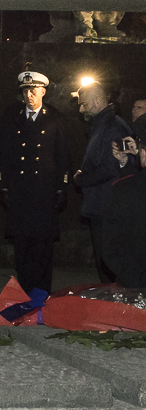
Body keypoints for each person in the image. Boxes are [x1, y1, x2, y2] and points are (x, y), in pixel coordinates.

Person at [0, 69, 71, 294]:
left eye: (34, 90)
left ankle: (42, 292)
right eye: (26, 90)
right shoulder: (12, 116)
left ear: (43, 92)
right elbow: (4, 153)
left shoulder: (54, 117)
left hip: (44, 193)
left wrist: (61, 188)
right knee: (22, 247)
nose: (29, 95)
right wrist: (4, 185)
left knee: (43, 248)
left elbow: (62, 155)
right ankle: (25, 290)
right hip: (20, 192)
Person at [73, 79, 133, 283]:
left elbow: (111, 167)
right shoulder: (102, 126)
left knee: (109, 263)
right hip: (101, 205)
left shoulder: (114, 127)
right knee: (105, 263)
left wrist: (81, 178)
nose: (81, 109)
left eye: (84, 104)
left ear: (98, 100)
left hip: (107, 207)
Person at [103, 121, 146, 287]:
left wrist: (138, 282)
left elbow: (112, 248)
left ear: (142, 152)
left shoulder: (122, 191)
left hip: (134, 288)